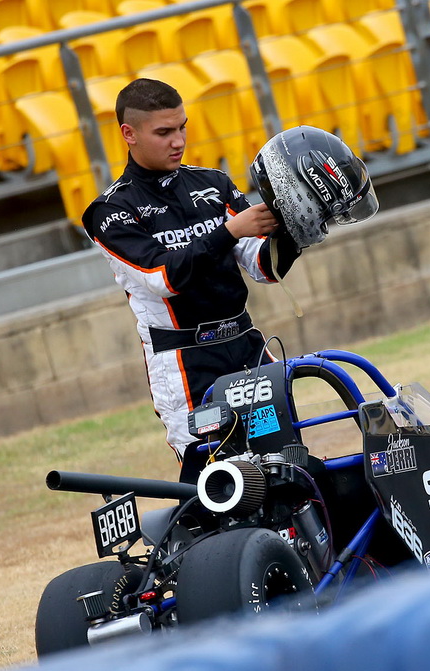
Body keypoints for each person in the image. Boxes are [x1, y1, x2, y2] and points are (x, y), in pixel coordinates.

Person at [82, 78, 378, 482]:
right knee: (219, 483)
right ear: (128, 134)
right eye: (164, 132)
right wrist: (229, 231)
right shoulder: (110, 211)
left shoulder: (213, 183)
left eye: (182, 127)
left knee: (287, 468)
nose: (178, 141)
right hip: (185, 362)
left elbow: (262, 266)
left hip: (246, 345)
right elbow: (161, 278)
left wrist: (298, 227)